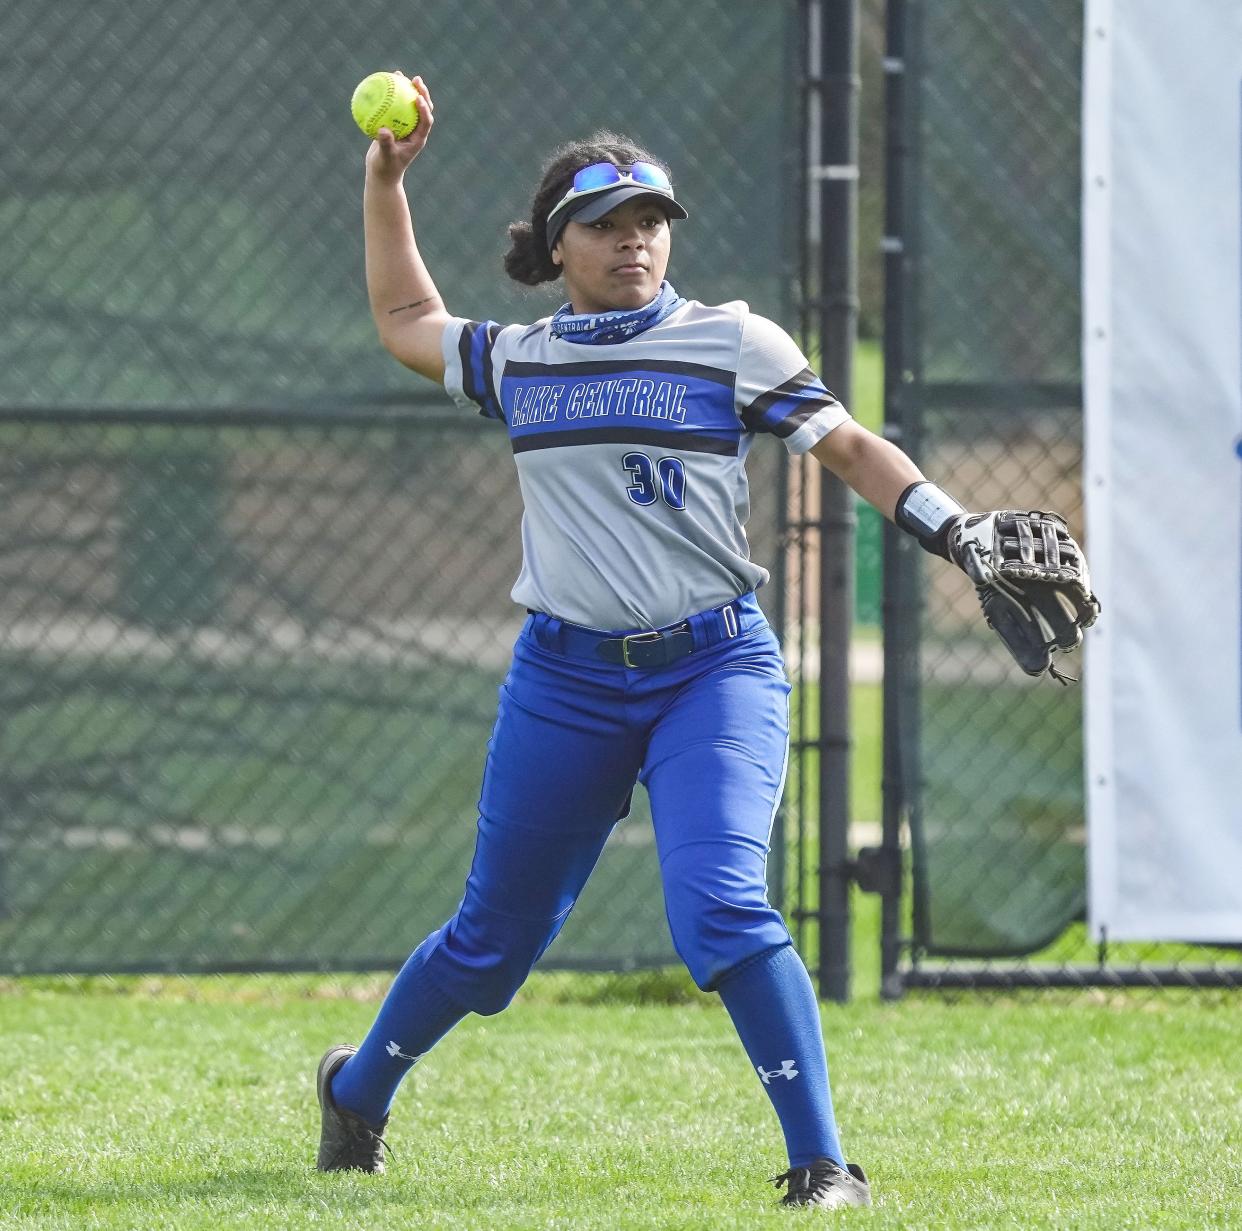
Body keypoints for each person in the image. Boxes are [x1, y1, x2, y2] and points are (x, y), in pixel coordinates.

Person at [312, 72, 1000, 1212]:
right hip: (566, 681)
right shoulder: (523, 361)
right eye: (605, 224)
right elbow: (403, 322)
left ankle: (823, 1163)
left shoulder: (730, 341)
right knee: (491, 946)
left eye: (651, 223)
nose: (634, 242)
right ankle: (359, 1089)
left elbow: (850, 447)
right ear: (555, 245)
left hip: (713, 669)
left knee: (724, 904)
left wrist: (956, 529)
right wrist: (385, 183)